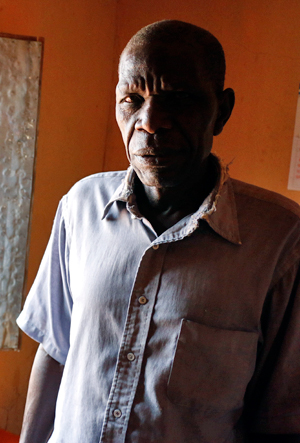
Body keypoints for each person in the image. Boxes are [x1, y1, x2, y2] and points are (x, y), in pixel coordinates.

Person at [17, 20, 300, 443]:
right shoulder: (81, 206)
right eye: (132, 99)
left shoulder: (280, 240)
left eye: (178, 100)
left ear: (221, 110)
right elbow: (55, 351)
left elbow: (281, 418)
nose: (150, 122)